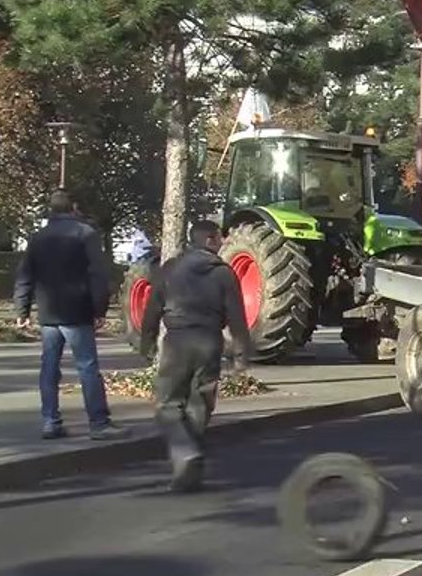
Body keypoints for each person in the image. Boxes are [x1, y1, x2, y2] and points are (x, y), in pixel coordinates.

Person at [140, 220, 253, 492]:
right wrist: (239, 355)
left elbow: (152, 309)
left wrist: (147, 344)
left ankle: (186, 455)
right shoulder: (225, 274)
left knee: (168, 405)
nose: (224, 242)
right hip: (209, 341)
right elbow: (237, 318)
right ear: (210, 240)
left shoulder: (170, 269)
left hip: (176, 341)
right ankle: (187, 471)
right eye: (220, 238)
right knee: (199, 404)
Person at [13, 189, 129, 440]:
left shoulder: (37, 238)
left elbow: (25, 276)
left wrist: (22, 309)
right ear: (74, 207)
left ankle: (50, 421)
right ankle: (99, 423)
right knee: (87, 367)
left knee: (49, 367)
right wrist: (100, 308)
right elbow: (97, 273)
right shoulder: (85, 234)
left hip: (48, 312)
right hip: (77, 310)